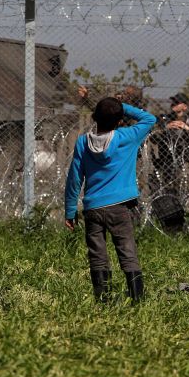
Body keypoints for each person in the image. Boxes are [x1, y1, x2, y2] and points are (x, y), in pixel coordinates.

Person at [64, 97, 156, 303]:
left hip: (93, 208)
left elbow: (74, 179)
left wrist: (70, 210)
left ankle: (103, 299)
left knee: (97, 254)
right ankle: (136, 299)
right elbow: (149, 119)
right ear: (119, 120)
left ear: (95, 117)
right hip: (119, 207)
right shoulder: (127, 137)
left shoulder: (82, 143)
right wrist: (123, 107)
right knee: (127, 250)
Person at [149, 93, 189, 232]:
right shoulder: (163, 119)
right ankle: (162, 224)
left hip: (184, 164)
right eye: (172, 102)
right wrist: (166, 128)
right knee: (163, 194)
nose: (173, 105)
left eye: (177, 103)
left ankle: (181, 226)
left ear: (184, 106)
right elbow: (153, 137)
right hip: (164, 164)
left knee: (181, 195)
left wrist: (186, 129)